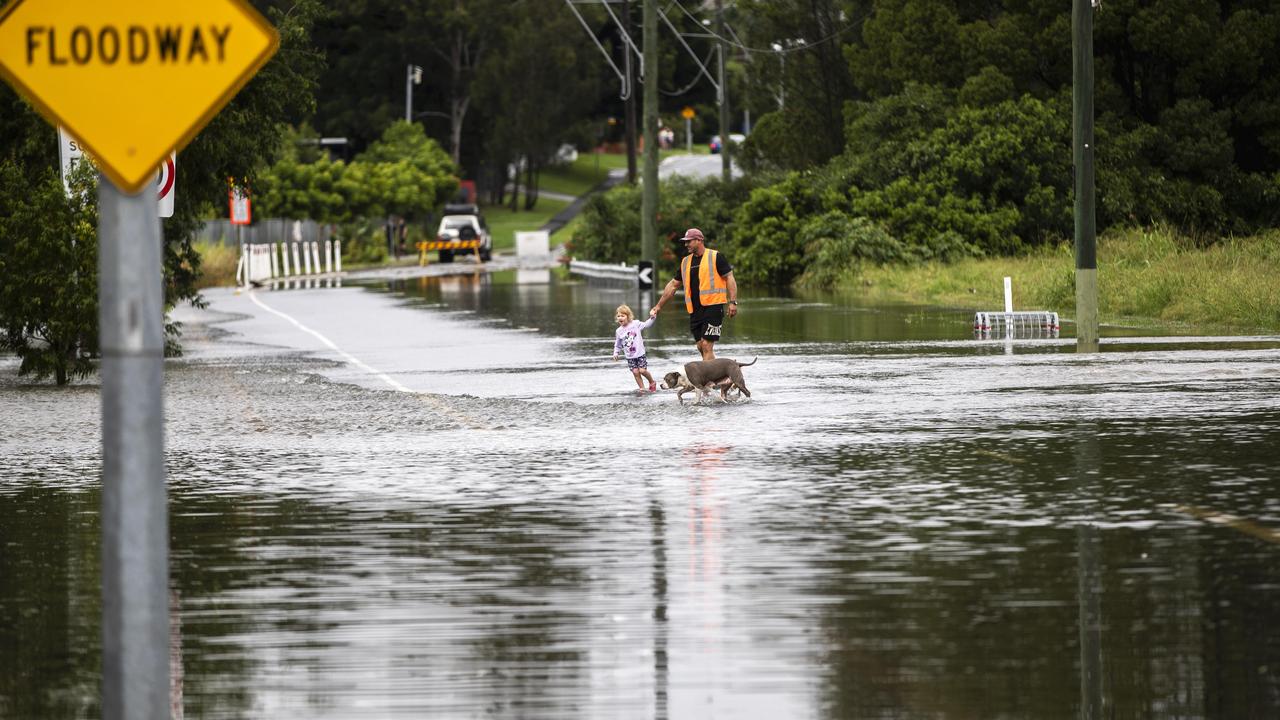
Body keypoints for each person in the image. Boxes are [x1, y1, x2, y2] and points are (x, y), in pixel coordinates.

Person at [650, 228, 738, 361]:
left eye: (689, 241)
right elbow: (673, 285)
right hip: (695, 310)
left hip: (713, 307)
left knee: (707, 345)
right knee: (700, 346)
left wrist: (733, 302)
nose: (686, 245)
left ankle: (708, 381)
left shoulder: (715, 257)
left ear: (699, 240)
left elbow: (729, 278)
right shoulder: (685, 262)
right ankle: (715, 376)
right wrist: (658, 306)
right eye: (685, 242)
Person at [612, 304, 658, 392]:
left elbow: (646, 325)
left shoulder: (635, 324)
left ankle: (652, 382)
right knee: (635, 372)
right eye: (618, 316)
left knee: (642, 371)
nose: (620, 318)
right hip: (630, 356)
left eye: (622, 315)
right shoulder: (618, 331)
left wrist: (652, 317)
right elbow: (617, 344)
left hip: (640, 353)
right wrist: (616, 353)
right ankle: (642, 388)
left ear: (628, 316)